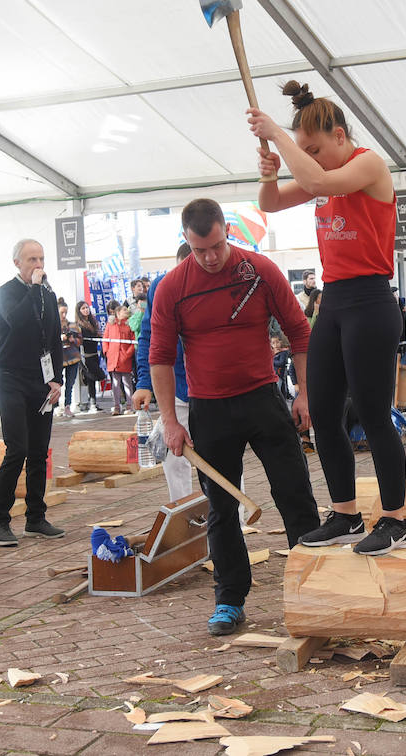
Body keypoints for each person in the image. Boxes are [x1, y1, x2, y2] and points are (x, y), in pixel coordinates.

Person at [249, 81, 406, 556]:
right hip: (334, 302)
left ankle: (396, 521)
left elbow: (318, 182)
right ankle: (344, 513)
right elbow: (270, 204)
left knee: (375, 415)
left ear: (340, 135)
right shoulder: (324, 171)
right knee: (321, 412)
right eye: (305, 152)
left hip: (371, 301)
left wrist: (276, 134)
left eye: (314, 149)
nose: (310, 160)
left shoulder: (367, 163)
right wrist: (269, 174)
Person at [150, 199, 320, 633]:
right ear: (186, 241)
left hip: (262, 399)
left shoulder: (259, 270)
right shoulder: (172, 286)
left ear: (227, 231)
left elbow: (299, 330)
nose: (210, 258)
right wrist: (171, 420)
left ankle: (315, 589)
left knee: (294, 493)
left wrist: (305, 393)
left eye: (217, 246)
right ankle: (229, 598)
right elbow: (161, 358)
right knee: (221, 508)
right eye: (199, 250)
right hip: (209, 410)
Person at [0, 239, 65, 547]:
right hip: (11, 378)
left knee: (38, 450)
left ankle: (36, 518)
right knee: (16, 449)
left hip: (41, 380)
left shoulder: (48, 293)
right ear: (18, 263)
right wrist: (33, 289)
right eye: (32, 259)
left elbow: (54, 337)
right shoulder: (7, 292)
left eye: (42, 258)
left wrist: (57, 378)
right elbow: (16, 323)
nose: (38, 264)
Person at [133, 242, 198, 503]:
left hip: (217, 387)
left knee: (222, 458)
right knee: (173, 454)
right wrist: (145, 382)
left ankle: (233, 524)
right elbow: (149, 337)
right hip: (178, 385)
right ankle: (186, 519)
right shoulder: (162, 287)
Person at [102, 300, 135, 414]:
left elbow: (133, 341)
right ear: (118, 313)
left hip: (124, 358)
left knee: (127, 382)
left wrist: (128, 353)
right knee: (115, 383)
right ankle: (116, 406)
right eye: (124, 310)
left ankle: (129, 406)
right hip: (113, 358)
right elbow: (105, 339)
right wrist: (107, 352)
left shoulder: (130, 324)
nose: (126, 311)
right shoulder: (110, 324)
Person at [75, 301, 105, 413]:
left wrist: (98, 335)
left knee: (94, 379)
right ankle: (91, 403)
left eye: (87, 307)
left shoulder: (92, 321)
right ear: (79, 311)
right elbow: (83, 339)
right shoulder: (79, 325)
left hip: (94, 354)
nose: (86, 310)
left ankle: (93, 402)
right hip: (85, 356)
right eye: (83, 308)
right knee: (90, 378)